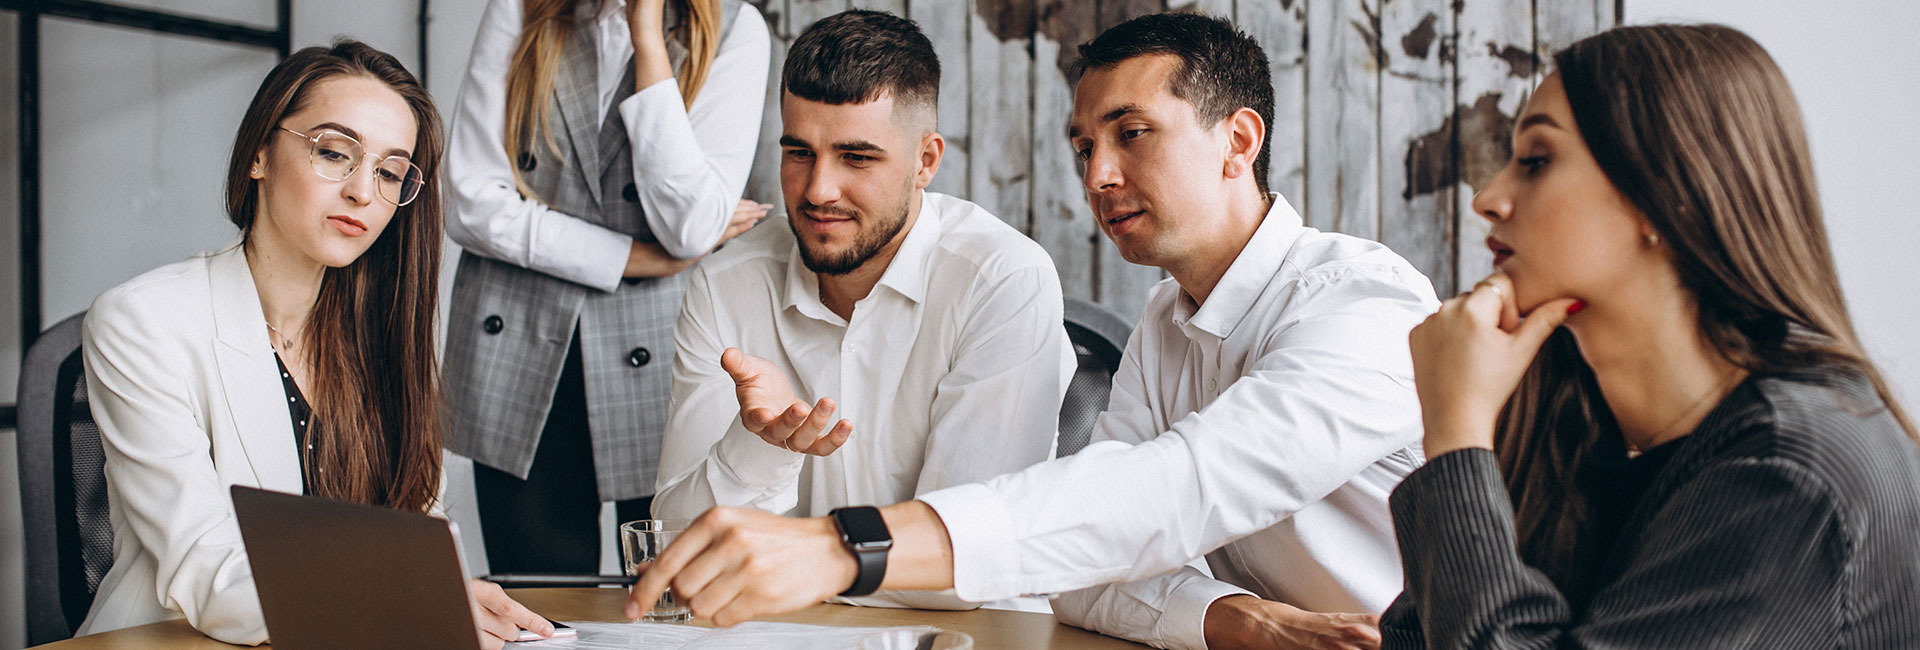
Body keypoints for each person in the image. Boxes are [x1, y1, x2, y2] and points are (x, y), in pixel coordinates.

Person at [626, 13, 1437, 648]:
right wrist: (1236, 619)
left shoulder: (1361, 303)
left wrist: (847, 546)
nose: (1097, 176)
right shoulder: (1166, 321)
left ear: (1239, 141)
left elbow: (1179, 490)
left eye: (1132, 133)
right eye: (1084, 145)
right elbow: (1090, 573)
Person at [1381, 24, 1920, 648]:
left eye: (1535, 161)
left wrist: (1456, 435)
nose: (1489, 198)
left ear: (1665, 195)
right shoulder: (1570, 417)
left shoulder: (1791, 472)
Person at [78, 41, 552, 648]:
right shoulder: (143, 322)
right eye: (334, 153)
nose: (362, 191)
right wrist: (414, 598)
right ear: (258, 154)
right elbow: (207, 575)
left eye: (389, 173)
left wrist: (441, 595)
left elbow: (411, 542)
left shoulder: (381, 338)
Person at [650, 9, 1073, 611]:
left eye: (857, 157)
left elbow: (961, 566)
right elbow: (675, 549)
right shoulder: (726, 283)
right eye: (799, 152)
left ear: (926, 161)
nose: (818, 189)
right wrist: (761, 446)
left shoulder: (1002, 279)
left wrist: (798, 559)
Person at [441, 0, 770, 574]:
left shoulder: (735, 27)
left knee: (667, 609)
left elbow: (688, 227)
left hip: (664, 355)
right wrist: (628, 257)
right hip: (521, 345)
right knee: (539, 609)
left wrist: (647, 36)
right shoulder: (523, 9)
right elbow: (470, 203)